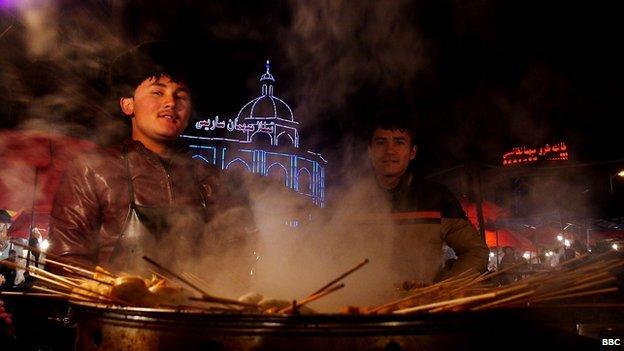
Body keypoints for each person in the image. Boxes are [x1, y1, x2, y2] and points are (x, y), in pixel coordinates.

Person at [48, 42, 255, 275]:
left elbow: (241, 261)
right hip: (111, 308)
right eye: (158, 92)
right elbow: (66, 262)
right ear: (128, 105)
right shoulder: (92, 169)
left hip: (196, 309)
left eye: (181, 96)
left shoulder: (214, 180)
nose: (171, 103)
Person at [364, 117, 489, 284]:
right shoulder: (348, 201)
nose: (390, 151)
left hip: (420, 305)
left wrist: (446, 288)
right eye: (381, 143)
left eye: (399, 143)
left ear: (412, 152)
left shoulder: (436, 197)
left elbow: (475, 250)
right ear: (370, 151)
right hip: (360, 303)